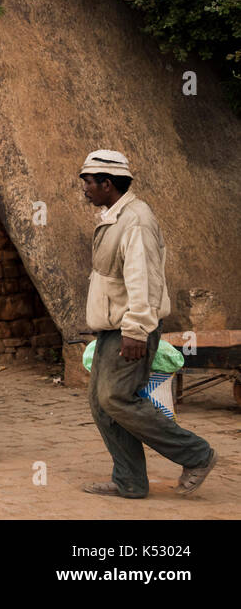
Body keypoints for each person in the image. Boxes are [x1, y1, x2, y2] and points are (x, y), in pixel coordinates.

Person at [78, 149, 217, 498]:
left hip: (131, 328)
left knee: (115, 399)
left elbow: (144, 279)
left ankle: (197, 454)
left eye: (89, 183)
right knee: (102, 402)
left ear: (107, 184)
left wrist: (136, 329)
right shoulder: (115, 216)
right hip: (115, 327)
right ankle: (129, 481)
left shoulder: (136, 220)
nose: (85, 190)